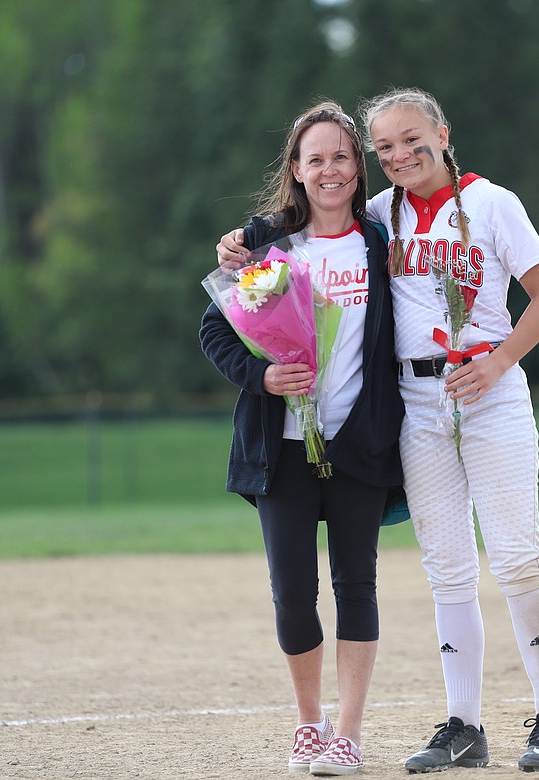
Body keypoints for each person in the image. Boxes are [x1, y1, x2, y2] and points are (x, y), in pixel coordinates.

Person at [219, 86, 539, 774]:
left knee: (514, 557)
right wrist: (240, 241)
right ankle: (464, 726)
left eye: (412, 139)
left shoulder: (494, 204)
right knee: (446, 569)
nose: (400, 155)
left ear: (443, 133)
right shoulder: (381, 215)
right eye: (384, 146)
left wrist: (500, 361)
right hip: (416, 404)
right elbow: (306, 222)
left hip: (490, 395)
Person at [199, 100, 404, 776]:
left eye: (342, 156)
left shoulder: (382, 238)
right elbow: (213, 331)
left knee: (357, 583)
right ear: (296, 168)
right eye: (316, 158)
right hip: (282, 448)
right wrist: (262, 379)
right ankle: (309, 724)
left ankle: (347, 733)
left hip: (359, 446)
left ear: (359, 167)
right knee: (291, 590)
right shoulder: (264, 244)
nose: (331, 169)